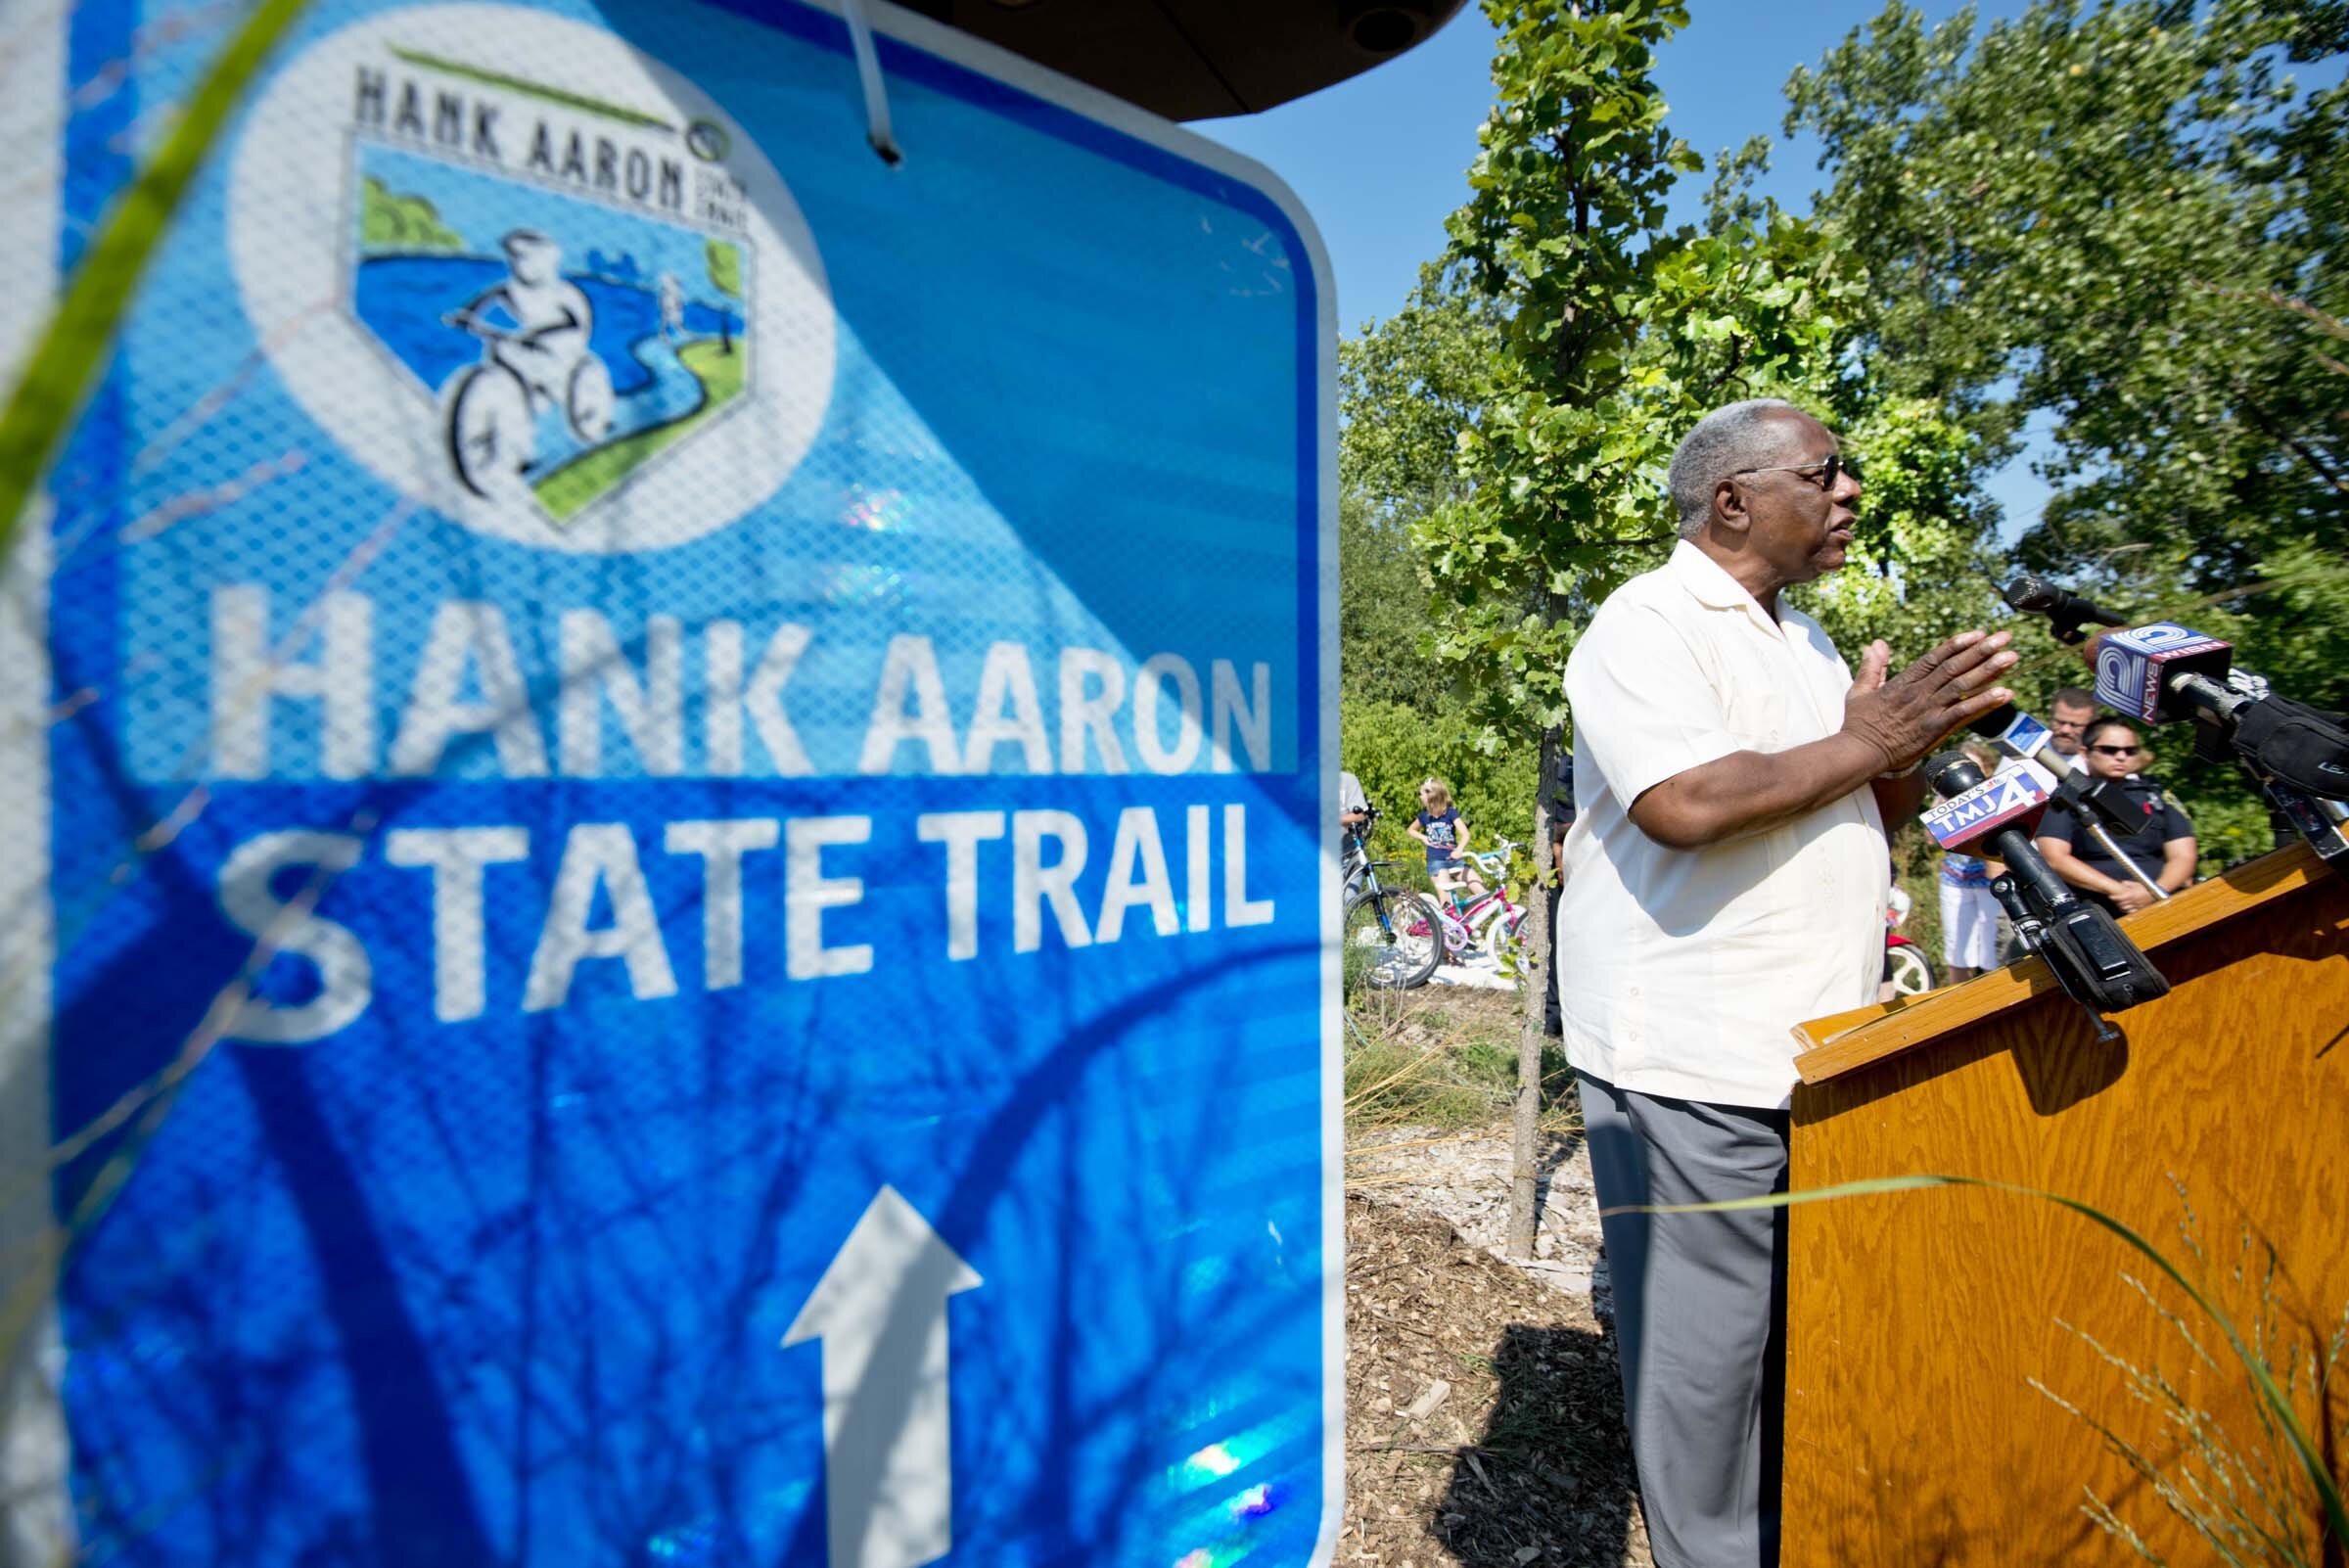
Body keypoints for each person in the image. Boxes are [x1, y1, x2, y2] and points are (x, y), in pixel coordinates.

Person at [1555, 397, 2015, 1568]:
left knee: (1787, 1354)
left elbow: (1857, 802)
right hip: (1692, 1056)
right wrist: (1870, 738)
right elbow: (1689, 805)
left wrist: (1905, 742)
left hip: (1816, 1049)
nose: (1852, 490)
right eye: (1828, 469)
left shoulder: (1798, 639)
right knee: (1703, 1382)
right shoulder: (1648, 622)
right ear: (1733, 499)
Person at [2034, 716, 2196, 915]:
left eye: (2130, 751)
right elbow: (2055, 858)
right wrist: (2119, 891)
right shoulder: (2066, 799)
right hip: (2098, 910)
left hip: (2162, 903)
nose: (2121, 756)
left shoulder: (2156, 796)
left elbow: (2183, 856)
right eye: (2110, 750)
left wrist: (2153, 892)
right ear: (2085, 753)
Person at [1938, 743, 2005, 983]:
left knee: (1991, 951)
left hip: (1991, 881)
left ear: (1985, 769)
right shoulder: (1944, 799)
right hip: (1955, 880)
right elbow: (1933, 840)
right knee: (1957, 948)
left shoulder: (1998, 794)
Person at [1542, 750, 1578, 1038]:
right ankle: (1556, 1017)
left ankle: (1559, 1015)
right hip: (1566, 864)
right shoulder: (1565, 763)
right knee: (1561, 938)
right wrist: (1558, 847)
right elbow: (1558, 827)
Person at [1408, 777, 1487, 900]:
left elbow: (1466, 834)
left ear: (1432, 795)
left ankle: (1463, 919)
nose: (1420, 797)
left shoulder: (1450, 813)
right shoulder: (1424, 815)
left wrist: (1459, 850)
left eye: (1422, 793)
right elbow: (1411, 830)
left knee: (1483, 894)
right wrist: (1423, 837)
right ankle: (1445, 916)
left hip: (1456, 860)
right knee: (1447, 902)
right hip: (1437, 862)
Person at [2047, 686, 2096, 758]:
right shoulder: (2028, 750)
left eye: (2075, 725)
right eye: (2060, 722)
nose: (2065, 730)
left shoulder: (2096, 766)